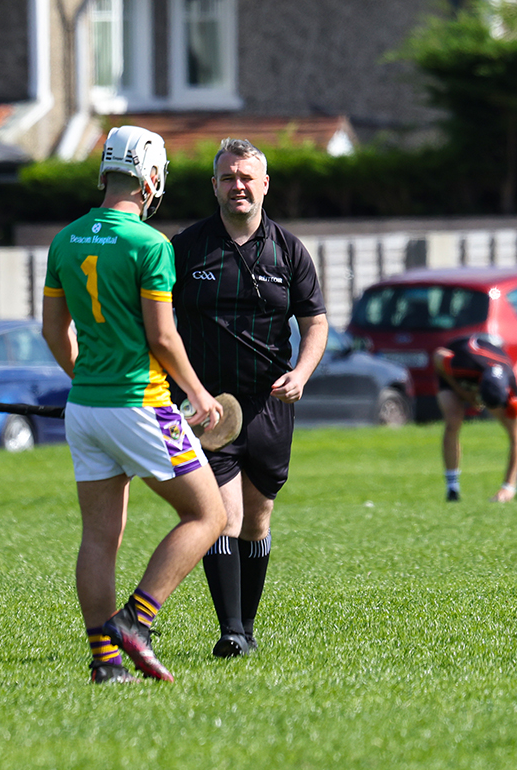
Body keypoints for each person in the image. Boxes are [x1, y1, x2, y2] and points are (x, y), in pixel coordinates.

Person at [42, 125, 226, 685]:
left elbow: (53, 332)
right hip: (142, 404)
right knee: (209, 514)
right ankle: (136, 623)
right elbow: (164, 338)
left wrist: (88, 381)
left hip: (86, 409)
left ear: (105, 172)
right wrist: (197, 394)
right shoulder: (151, 245)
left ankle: (106, 664)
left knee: (99, 538)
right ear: (151, 178)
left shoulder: (66, 239)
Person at [171, 137, 329, 657]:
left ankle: (248, 628)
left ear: (263, 185)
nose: (237, 185)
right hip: (209, 409)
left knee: (258, 519)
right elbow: (156, 324)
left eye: (246, 177)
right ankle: (230, 631)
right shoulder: (185, 248)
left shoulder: (288, 250)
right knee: (225, 516)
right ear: (213, 185)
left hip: (270, 406)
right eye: (227, 177)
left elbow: (315, 322)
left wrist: (302, 373)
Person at [433, 333, 517, 503]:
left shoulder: (511, 385)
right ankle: (452, 488)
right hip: (454, 375)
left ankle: (508, 487)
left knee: (513, 430)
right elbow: (437, 356)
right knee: (453, 420)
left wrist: (508, 487)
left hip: (485, 378)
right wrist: (464, 393)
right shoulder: (462, 365)